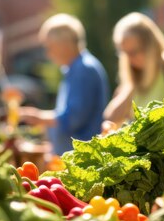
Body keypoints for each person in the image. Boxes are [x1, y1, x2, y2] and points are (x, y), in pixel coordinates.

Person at [19, 13, 110, 155]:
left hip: (82, 159)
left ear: (65, 44)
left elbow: (74, 118)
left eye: (50, 47)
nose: (48, 54)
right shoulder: (75, 68)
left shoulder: (83, 69)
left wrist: (39, 117)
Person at [103, 12, 164, 125]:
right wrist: (130, 86)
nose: (129, 60)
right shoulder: (132, 79)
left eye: (133, 52)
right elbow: (110, 119)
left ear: (150, 46)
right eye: (124, 54)